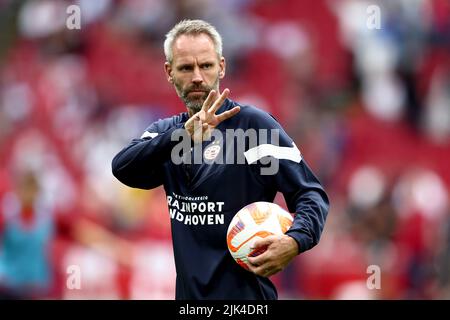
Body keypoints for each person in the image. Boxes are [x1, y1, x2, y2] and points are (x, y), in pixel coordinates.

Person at [112, 19, 329, 300]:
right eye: (186, 67)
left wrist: (294, 240)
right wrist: (182, 136)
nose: (197, 77)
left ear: (222, 67)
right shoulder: (166, 134)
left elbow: (310, 193)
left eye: (206, 65)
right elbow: (123, 168)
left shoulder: (255, 128)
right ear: (169, 72)